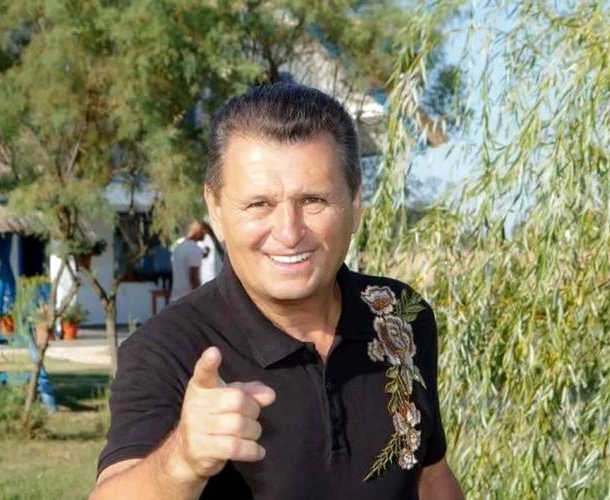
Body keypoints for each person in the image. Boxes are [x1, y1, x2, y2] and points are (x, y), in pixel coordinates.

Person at [91, 84, 463, 499]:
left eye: (314, 200)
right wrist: (181, 462)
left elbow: (430, 477)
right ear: (216, 209)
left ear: (355, 204)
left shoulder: (401, 315)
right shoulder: (166, 349)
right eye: (259, 204)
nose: (289, 232)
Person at [170, 221, 205, 302]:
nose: (204, 234)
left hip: (176, 298)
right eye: (203, 231)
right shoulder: (195, 249)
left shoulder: (178, 247)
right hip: (189, 299)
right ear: (198, 232)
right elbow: (193, 278)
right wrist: (199, 298)